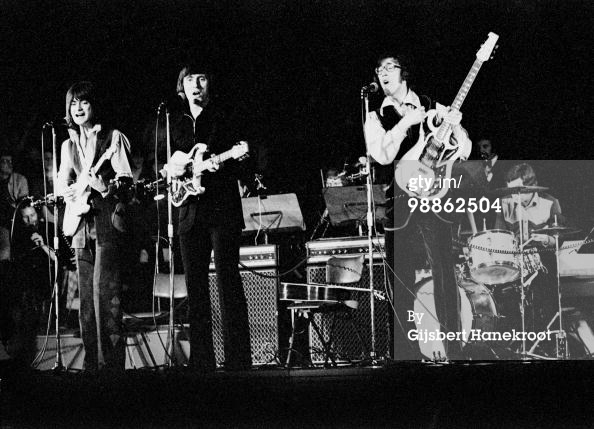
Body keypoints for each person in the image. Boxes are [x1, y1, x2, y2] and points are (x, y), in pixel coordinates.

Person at [364, 53, 472, 360]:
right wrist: (405, 124)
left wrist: (457, 128)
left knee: (444, 272)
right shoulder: (374, 115)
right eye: (379, 69)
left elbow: (464, 150)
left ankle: (454, 349)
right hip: (398, 200)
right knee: (400, 278)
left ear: (403, 72)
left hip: (434, 198)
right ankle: (405, 354)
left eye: (389, 67)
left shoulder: (431, 106)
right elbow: (382, 155)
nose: (383, 73)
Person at [163, 62, 252, 371]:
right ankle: (201, 362)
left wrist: (224, 163)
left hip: (222, 208)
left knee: (228, 283)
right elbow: (163, 166)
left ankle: (238, 361)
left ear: (209, 83)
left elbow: (243, 157)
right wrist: (173, 168)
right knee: (196, 288)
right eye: (190, 79)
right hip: (188, 211)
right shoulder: (174, 122)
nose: (196, 85)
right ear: (182, 85)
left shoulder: (225, 116)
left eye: (201, 78)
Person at [56, 81, 133, 371]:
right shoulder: (67, 145)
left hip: (106, 223)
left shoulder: (113, 138)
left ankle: (111, 368)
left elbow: (127, 183)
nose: (78, 108)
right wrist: (70, 191)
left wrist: (104, 188)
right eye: (73, 103)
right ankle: (91, 367)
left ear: (94, 105)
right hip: (80, 225)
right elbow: (62, 183)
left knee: (105, 295)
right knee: (86, 301)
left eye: (84, 102)